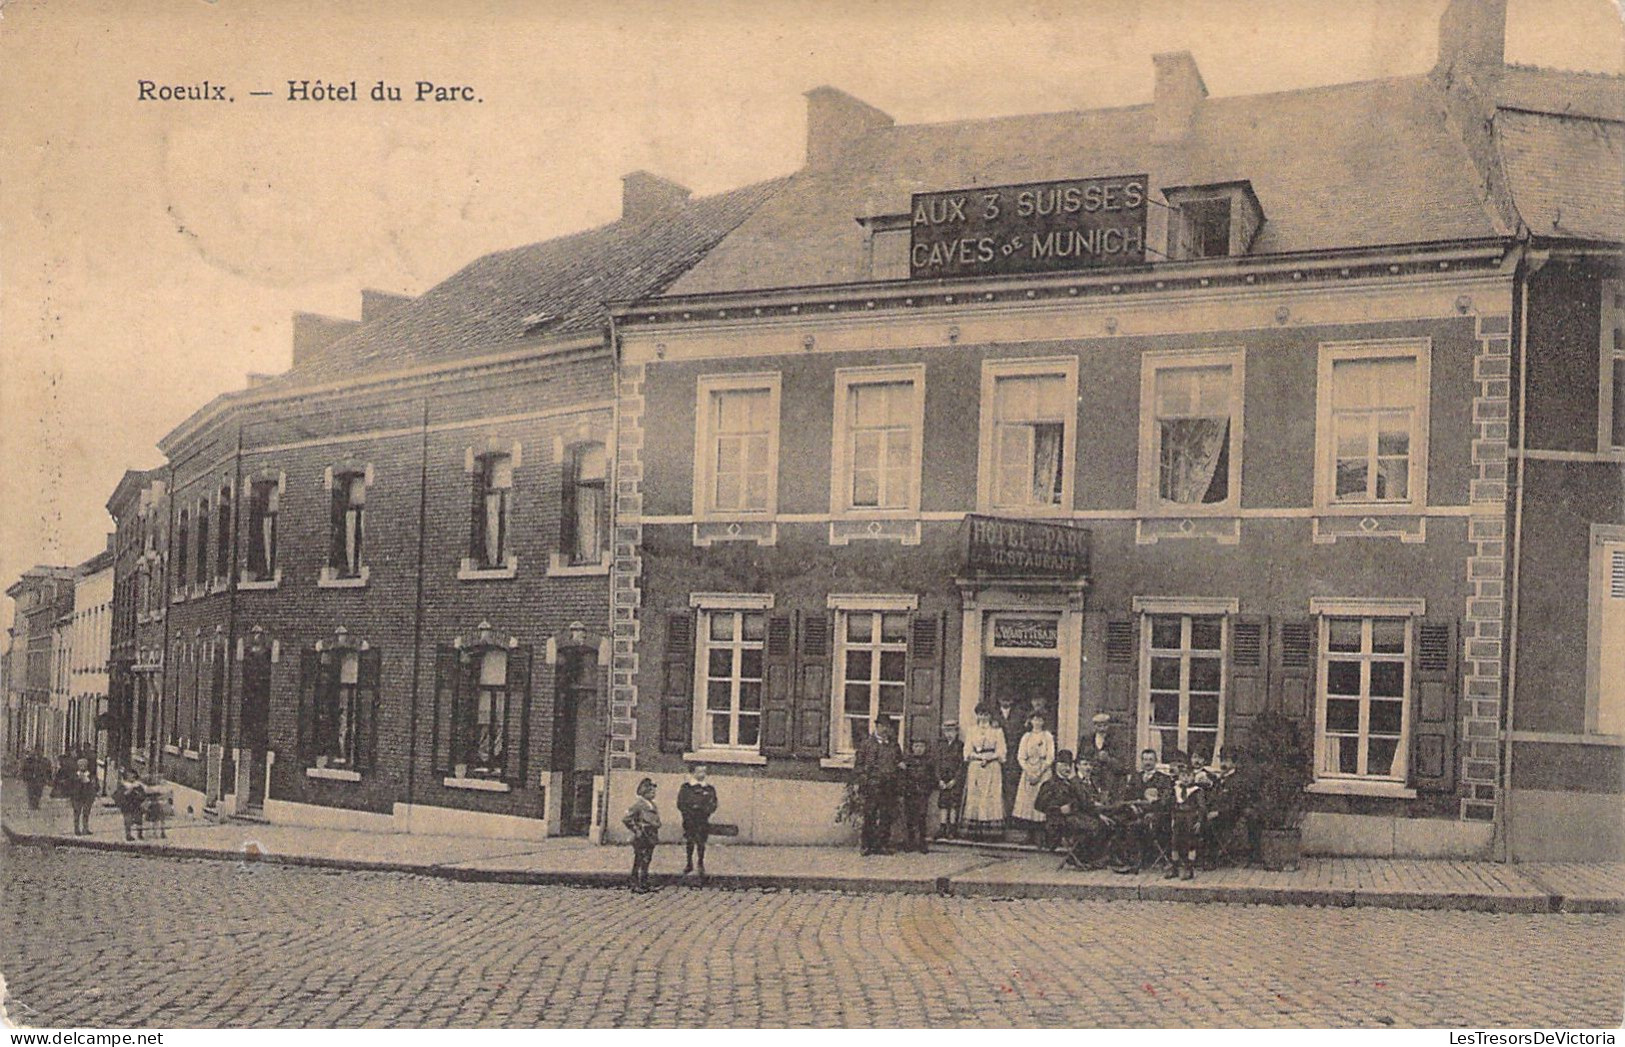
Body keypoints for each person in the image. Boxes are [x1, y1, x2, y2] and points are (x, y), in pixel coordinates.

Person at [1036, 750, 1108, 867]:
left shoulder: (1070, 783)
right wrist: (1058, 810)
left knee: (1098, 824)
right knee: (1094, 825)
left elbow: (1081, 804)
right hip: (1057, 821)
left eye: (1069, 766)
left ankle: (1086, 858)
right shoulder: (1049, 784)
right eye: (1064, 765)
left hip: (1073, 816)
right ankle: (1082, 858)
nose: (1067, 768)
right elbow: (1039, 805)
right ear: (1057, 766)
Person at [1111, 748, 1173, 874]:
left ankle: (1135, 863)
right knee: (1117, 821)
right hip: (1134, 812)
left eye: (1151, 759)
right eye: (1145, 759)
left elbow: (1164, 802)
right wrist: (1132, 806)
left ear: (1156, 761)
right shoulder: (1136, 777)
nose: (1147, 762)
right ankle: (1120, 859)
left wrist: (1151, 806)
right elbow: (1127, 797)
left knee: (1136, 826)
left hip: (1155, 815)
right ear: (1141, 761)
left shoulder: (1164, 779)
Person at [853, 715, 902, 855]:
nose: (885, 729)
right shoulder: (867, 744)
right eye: (882, 726)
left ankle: (882, 845)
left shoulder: (893, 745)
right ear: (877, 726)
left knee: (886, 816)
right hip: (872, 785)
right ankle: (866, 845)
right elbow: (859, 765)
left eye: (887, 726)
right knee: (870, 815)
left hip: (888, 786)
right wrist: (863, 782)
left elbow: (899, 761)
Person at [961, 709, 1006, 840]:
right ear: (977, 715)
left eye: (986, 714)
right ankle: (974, 831)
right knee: (976, 795)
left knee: (991, 795)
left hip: (992, 766)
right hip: (976, 765)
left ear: (990, 715)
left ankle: (991, 833)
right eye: (981, 714)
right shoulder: (972, 730)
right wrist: (978, 757)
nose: (983, 717)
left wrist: (990, 757)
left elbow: (1002, 750)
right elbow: (967, 750)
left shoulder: (997, 731)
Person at [1012, 711, 1055, 846]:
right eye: (1034, 719)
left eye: (1040, 720)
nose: (1037, 722)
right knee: (1029, 803)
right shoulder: (1026, 736)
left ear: (1043, 721)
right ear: (1030, 721)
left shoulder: (1047, 736)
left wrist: (1040, 772)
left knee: (1042, 801)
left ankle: (1041, 835)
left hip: (1043, 771)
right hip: (1029, 771)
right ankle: (1029, 834)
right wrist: (1029, 771)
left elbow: (1050, 757)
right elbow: (1020, 756)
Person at [1165, 751, 1207, 880]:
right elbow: (1172, 804)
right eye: (1183, 775)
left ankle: (1189, 867)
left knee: (1191, 842)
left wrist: (1199, 821)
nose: (1185, 778)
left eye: (1188, 776)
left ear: (1193, 777)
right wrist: (1172, 817)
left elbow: (1202, 807)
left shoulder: (1196, 791)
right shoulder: (1176, 789)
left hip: (1190, 817)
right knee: (1175, 842)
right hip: (1178, 817)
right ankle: (1175, 866)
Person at [677, 765, 718, 883]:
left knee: (701, 842)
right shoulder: (686, 787)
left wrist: (706, 811)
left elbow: (713, 803)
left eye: (704, 771)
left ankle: (700, 862)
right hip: (690, 819)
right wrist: (688, 813)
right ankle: (689, 862)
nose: (702, 774)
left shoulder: (709, 788)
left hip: (702, 819)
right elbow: (681, 803)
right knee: (690, 841)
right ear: (693, 773)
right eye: (699, 771)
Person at [622, 777, 661, 893]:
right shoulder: (638, 805)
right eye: (651, 791)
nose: (653, 794)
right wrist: (636, 830)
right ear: (644, 792)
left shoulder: (652, 805)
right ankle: (635, 884)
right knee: (639, 859)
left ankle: (644, 883)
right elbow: (626, 819)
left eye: (654, 791)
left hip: (651, 835)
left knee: (647, 860)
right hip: (642, 835)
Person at [898, 738, 936, 853]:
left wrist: (927, 790)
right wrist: (905, 789)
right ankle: (910, 842)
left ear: (925, 748)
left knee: (922, 817)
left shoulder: (929, 762)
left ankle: (922, 842)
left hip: (922, 794)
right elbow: (902, 778)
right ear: (912, 748)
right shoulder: (907, 761)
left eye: (921, 746)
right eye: (916, 746)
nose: (918, 749)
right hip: (910, 793)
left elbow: (932, 778)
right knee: (909, 818)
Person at [994, 696, 1028, 822]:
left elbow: (1023, 733)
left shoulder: (1019, 714)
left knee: (1012, 786)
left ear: (1012, 701)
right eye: (1003, 699)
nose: (1005, 702)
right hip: (996, 757)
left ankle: (1011, 816)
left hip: (1013, 755)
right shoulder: (994, 715)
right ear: (999, 700)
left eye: (1008, 699)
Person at [934, 721, 965, 840]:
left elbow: (962, 765)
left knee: (953, 804)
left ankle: (952, 828)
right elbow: (937, 763)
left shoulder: (960, 746)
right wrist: (939, 780)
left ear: (957, 732)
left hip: (953, 779)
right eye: (947, 731)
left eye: (952, 731)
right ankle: (942, 827)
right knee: (943, 804)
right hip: (943, 779)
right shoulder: (941, 746)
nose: (949, 734)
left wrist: (955, 780)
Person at [113, 767, 146, 841]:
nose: (132, 777)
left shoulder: (138, 786)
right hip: (127, 806)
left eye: (133, 776)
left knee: (139, 820)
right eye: (130, 775)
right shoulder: (123, 785)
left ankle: (140, 834)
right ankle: (128, 835)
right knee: (128, 820)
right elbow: (117, 795)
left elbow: (143, 795)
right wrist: (126, 793)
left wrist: (140, 796)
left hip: (136, 805)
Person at [68, 757, 98, 835]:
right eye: (81, 765)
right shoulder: (75, 775)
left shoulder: (91, 775)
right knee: (77, 813)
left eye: (84, 765)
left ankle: (85, 828)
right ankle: (76, 829)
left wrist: (93, 790)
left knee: (86, 813)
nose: (82, 766)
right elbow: (70, 786)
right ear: (78, 766)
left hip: (87, 797)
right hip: (77, 797)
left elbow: (96, 786)